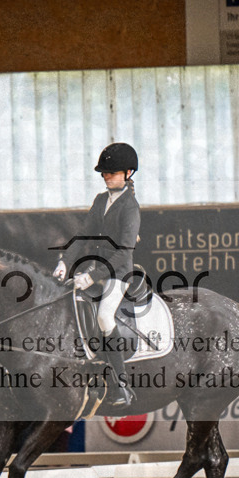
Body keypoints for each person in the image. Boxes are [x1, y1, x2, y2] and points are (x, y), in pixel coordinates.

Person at [53, 142, 141, 407]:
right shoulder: (101, 200)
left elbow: (124, 252)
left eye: (111, 172)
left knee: (104, 316)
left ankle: (121, 385)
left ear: (128, 173)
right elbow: (83, 235)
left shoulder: (130, 207)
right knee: (72, 304)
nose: (106, 176)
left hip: (118, 272)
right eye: (104, 173)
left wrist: (92, 276)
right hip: (95, 268)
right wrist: (65, 262)